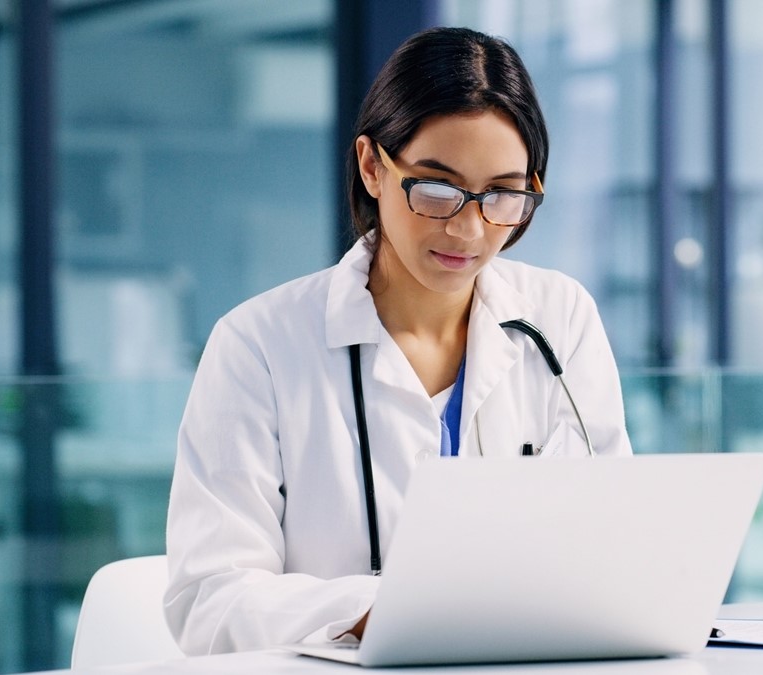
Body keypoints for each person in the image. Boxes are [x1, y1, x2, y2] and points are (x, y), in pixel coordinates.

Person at [163, 26, 633, 655]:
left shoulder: (560, 317)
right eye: (437, 188)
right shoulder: (258, 346)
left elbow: (616, 538)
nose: (468, 229)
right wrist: (378, 611)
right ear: (371, 167)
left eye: (502, 194)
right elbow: (208, 600)